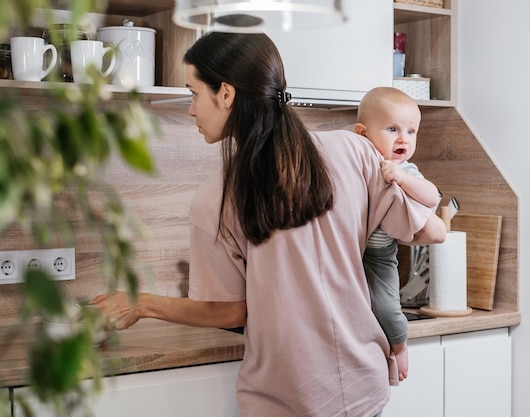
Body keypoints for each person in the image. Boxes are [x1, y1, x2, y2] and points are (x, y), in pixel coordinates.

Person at [91, 32, 446, 417]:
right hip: (363, 387)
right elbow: (426, 232)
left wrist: (141, 304)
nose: (191, 109)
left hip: (290, 398)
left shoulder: (216, 199)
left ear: (226, 94)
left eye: (193, 93)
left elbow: (228, 313)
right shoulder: (354, 149)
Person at [354, 87, 441, 384]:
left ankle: (400, 346)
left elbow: (431, 196)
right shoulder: (357, 164)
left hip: (379, 256)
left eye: (411, 131)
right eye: (392, 129)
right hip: (349, 254)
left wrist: (402, 178)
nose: (403, 138)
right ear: (362, 133)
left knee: (387, 309)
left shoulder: (406, 168)